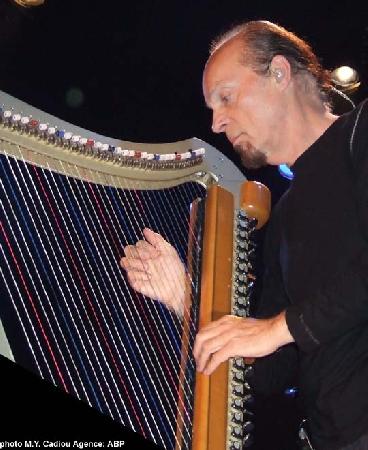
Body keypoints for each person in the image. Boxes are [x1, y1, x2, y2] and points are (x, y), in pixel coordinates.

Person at [121, 21, 368, 450]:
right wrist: (186, 299)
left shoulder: (361, 133)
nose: (216, 123)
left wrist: (277, 328)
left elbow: (277, 330)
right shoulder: (285, 218)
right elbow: (271, 372)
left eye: (226, 98)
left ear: (279, 72)